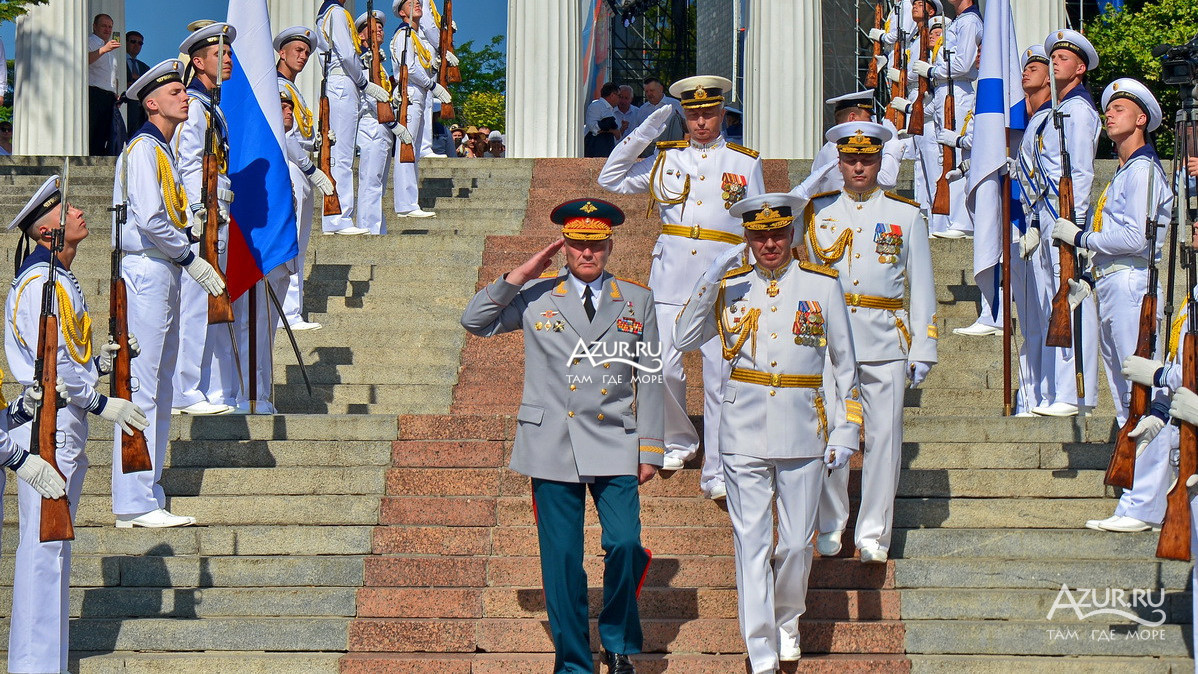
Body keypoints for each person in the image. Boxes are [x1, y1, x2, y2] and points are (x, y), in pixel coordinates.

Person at [461, 198, 663, 674]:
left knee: (626, 544)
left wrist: (651, 445)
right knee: (563, 562)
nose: (586, 253)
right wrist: (522, 273)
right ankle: (574, 663)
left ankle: (615, 639)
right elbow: (474, 322)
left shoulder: (636, 300)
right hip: (552, 441)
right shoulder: (535, 298)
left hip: (615, 438)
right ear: (564, 247)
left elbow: (650, 377)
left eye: (595, 244)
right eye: (576, 244)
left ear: (610, 245)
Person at [674, 193, 861, 672]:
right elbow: (683, 339)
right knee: (751, 545)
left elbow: (845, 364)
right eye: (759, 235)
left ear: (793, 234)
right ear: (747, 238)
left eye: (778, 233)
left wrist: (846, 430)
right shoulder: (730, 285)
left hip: (803, 428)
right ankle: (761, 652)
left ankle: (786, 617)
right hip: (743, 432)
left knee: (796, 543)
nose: (769, 243)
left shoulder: (821, 284)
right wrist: (710, 279)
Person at [599, 75, 764, 501]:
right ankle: (679, 440)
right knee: (661, 365)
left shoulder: (745, 163)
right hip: (671, 274)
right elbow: (610, 178)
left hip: (724, 278)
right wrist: (648, 131)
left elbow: (758, 226)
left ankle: (719, 469)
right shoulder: (666, 158)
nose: (701, 122)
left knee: (719, 377)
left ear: (723, 114)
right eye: (693, 115)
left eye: (708, 113)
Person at [5, 175, 145, 674]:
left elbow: (71, 357)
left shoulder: (58, 279)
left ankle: (47, 662)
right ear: (49, 233)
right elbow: (53, 368)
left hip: (64, 423)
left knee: (55, 551)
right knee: (44, 552)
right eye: (67, 211)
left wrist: (100, 366)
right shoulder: (39, 283)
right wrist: (103, 402)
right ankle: (34, 666)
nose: (80, 213)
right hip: (48, 425)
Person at [805, 122, 937, 564]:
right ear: (838, 163)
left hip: (885, 338)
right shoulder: (817, 212)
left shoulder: (906, 214)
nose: (859, 166)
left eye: (868, 159)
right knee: (830, 434)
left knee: (885, 438)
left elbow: (921, 285)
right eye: (851, 159)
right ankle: (830, 522)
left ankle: (874, 533)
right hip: (829, 343)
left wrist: (923, 345)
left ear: (881, 162)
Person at [1056, 79, 1171, 533]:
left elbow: (1135, 238)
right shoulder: (1125, 171)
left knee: (1140, 398)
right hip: (1113, 283)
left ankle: (1143, 504)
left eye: (1120, 108)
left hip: (1131, 284)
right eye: (1109, 108)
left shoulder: (1142, 170)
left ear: (1140, 119)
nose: (1110, 115)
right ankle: (1135, 498)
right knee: (1127, 401)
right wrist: (1088, 272)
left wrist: (1082, 237)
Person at [115, 58, 224, 528]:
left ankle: (147, 492)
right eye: (175, 93)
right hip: (148, 267)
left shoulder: (162, 150)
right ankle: (134, 499)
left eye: (184, 90)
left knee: (158, 383)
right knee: (142, 383)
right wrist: (188, 254)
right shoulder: (143, 148)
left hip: (163, 267)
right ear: (151, 103)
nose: (185, 97)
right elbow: (149, 218)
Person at [1016, 29, 1101, 417]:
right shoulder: (1054, 112)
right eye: (1053, 57)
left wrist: (1075, 226)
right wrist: (1035, 222)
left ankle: (1071, 393)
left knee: (1067, 301)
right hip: (1046, 217)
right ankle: (1052, 391)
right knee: (1053, 305)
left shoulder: (1079, 112)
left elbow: (1079, 173)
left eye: (1063, 58)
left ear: (1080, 68)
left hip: (1064, 219)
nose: (1054, 62)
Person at [172, 23, 239, 416]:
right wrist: (195, 210)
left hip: (218, 211)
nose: (228, 59)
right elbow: (186, 162)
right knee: (196, 304)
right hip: (203, 213)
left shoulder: (212, 106)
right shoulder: (195, 106)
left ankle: (207, 387)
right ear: (198, 62)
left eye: (228, 53)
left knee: (210, 300)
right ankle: (185, 388)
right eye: (220, 54)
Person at [276, 26, 333, 331]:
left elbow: (299, 132)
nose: (303, 56)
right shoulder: (278, 86)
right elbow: (283, 135)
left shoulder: (293, 89)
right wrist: (311, 168)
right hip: (290, 168)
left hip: (302, 166)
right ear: (281, 53)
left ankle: (292, 309)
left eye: (306, 51)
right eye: (297, 50)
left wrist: (318, 143)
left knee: (300, 239)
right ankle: (289, 311)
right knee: (292, 238)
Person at [911, 0, 979, 239]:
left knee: (958, 155)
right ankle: (946, 221)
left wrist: (931, 72)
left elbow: (962, 64)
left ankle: (963, 221)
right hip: (944, 90)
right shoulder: (960, 21)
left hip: (956, 90)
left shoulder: (969, 21)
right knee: (944, 158)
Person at [1009, 45, 1053, 413]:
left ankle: (1043, 393)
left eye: (1036, 67)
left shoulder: (1053, 120)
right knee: (1029, 320)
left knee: (1043, 318)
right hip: (1019, 226)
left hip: (1041, 227)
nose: (1027, 72)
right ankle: (1029, 394)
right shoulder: (1021, 119)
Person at [319, 0, 387, 235]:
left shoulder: (335, 13)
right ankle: (338, 217)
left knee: (344, 154)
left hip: (344, 82)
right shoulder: (336, 13)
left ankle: (339, 215)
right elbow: (347, 53)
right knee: (342, 155)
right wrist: (363, 81)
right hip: (342, 82)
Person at [790, 91, 903, 199]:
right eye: (869, 118)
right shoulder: (841, 148)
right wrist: (892, 141)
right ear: (852, 118)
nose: (872, 123)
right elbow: (887, 181)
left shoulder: (828, 148)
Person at [391, 0, 445, 219]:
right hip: (411, 93)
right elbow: (409, 68)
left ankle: (409, 201)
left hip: (419, 94)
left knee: (412, 149)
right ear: (402, 12)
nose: (417, 5)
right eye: (411, 3)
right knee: (407, 147)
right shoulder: (403, 34)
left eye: (418, 2)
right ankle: (405, 204)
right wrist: (432, 84)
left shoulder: (413, 36)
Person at [355, 10, 399, 234]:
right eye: (373, 27)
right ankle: (369, 229)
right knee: (371, 181)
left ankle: (377, 227)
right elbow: (369, 98)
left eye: (381, 26)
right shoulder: (363, 60)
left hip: (383, 127)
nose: (380, 29)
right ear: (362, 36)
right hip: (372, 124)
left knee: (378, 184)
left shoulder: (377, 63)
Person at [88, 13, 122, 156]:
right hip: (94, 93)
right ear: (94, 26)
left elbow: (113, 75)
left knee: (108, 134)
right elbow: (84, 60)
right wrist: (103, 49)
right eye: (104, 26)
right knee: (94, 132)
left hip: (109, 96)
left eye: (110, 27)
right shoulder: (90, 41)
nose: (107, 29)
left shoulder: (110, 50)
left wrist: (116, 93)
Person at [585, 82, 621, 158]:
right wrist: (612, 130)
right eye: (619, 96)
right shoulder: (596, 106)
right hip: (596, 148)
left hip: (607, 148)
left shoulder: (611, 110)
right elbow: (593, 128)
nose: (619, 99)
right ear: (612, 95)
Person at [125, 31, 151, 132]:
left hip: (140, 113)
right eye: (133, 41)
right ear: (125, 42)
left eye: (140, 43)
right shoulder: (118, 61)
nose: (136, 45)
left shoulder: (145, 68)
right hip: (124, 108)